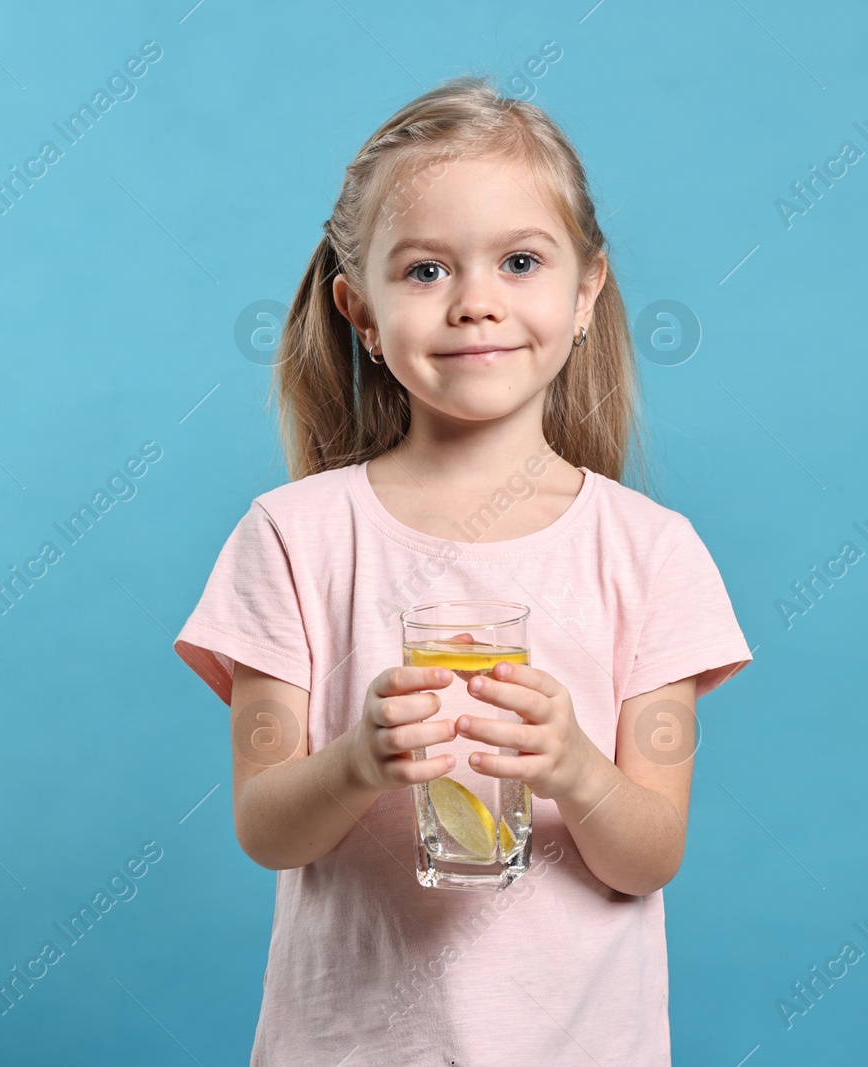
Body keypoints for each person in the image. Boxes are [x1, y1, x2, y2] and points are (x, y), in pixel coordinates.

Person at [173, 73, 753, 1065]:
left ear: (584, 293)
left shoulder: (653, 552)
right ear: (360, 311)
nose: (476, 303)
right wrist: (358, 758)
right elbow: (266, 826)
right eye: (427, 271)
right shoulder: (293, 537)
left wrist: (573, 763)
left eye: (520, 261)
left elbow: (650, 852)